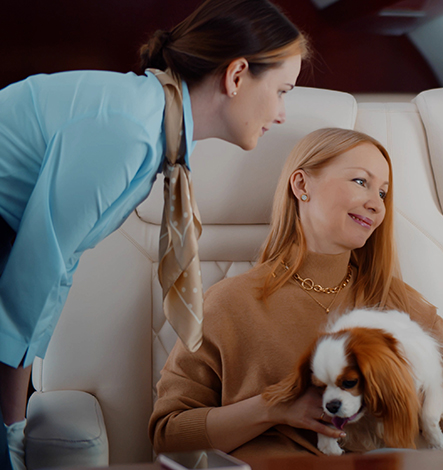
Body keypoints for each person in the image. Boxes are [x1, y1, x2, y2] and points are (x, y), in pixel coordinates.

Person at [0, 0, 307, 467]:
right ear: (237, 75)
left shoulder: (154, 131)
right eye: (282, 90)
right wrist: (11, 432)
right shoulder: (128, 131)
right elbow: (30, 280)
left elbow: (54, 271)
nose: (283, 113)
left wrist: (13, 424)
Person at [148, 128, 443, 459]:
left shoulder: (402, 306)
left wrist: (418, 394)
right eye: (360, 181)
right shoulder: (227, 303)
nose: (377, 204)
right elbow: (170, 434)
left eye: (383, 192)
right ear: (302, 185)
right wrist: (274, 408)